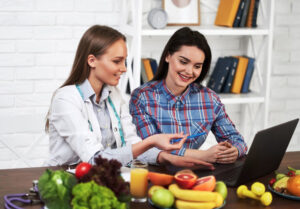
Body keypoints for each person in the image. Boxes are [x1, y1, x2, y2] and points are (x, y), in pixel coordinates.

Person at [45, 25, 213, 169]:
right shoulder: (66, 99)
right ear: (92, 61)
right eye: (117, 61)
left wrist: (164, 156)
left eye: (125, 61)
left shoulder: (114, 95)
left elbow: (131, 143)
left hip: (103, 179)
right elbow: (95, 160)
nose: (124, 68)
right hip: (63, 182)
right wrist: (151, 141)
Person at [130, 27, 248, 164]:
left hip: (197, 173)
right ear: (168, 56)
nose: (189, 71)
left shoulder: (209, 99)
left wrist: (234, 150)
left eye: (197, 66)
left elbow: (237, 140)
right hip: (157, 174)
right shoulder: (142, 97)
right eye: (183, 62)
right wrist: (202, 156)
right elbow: (150, 148)